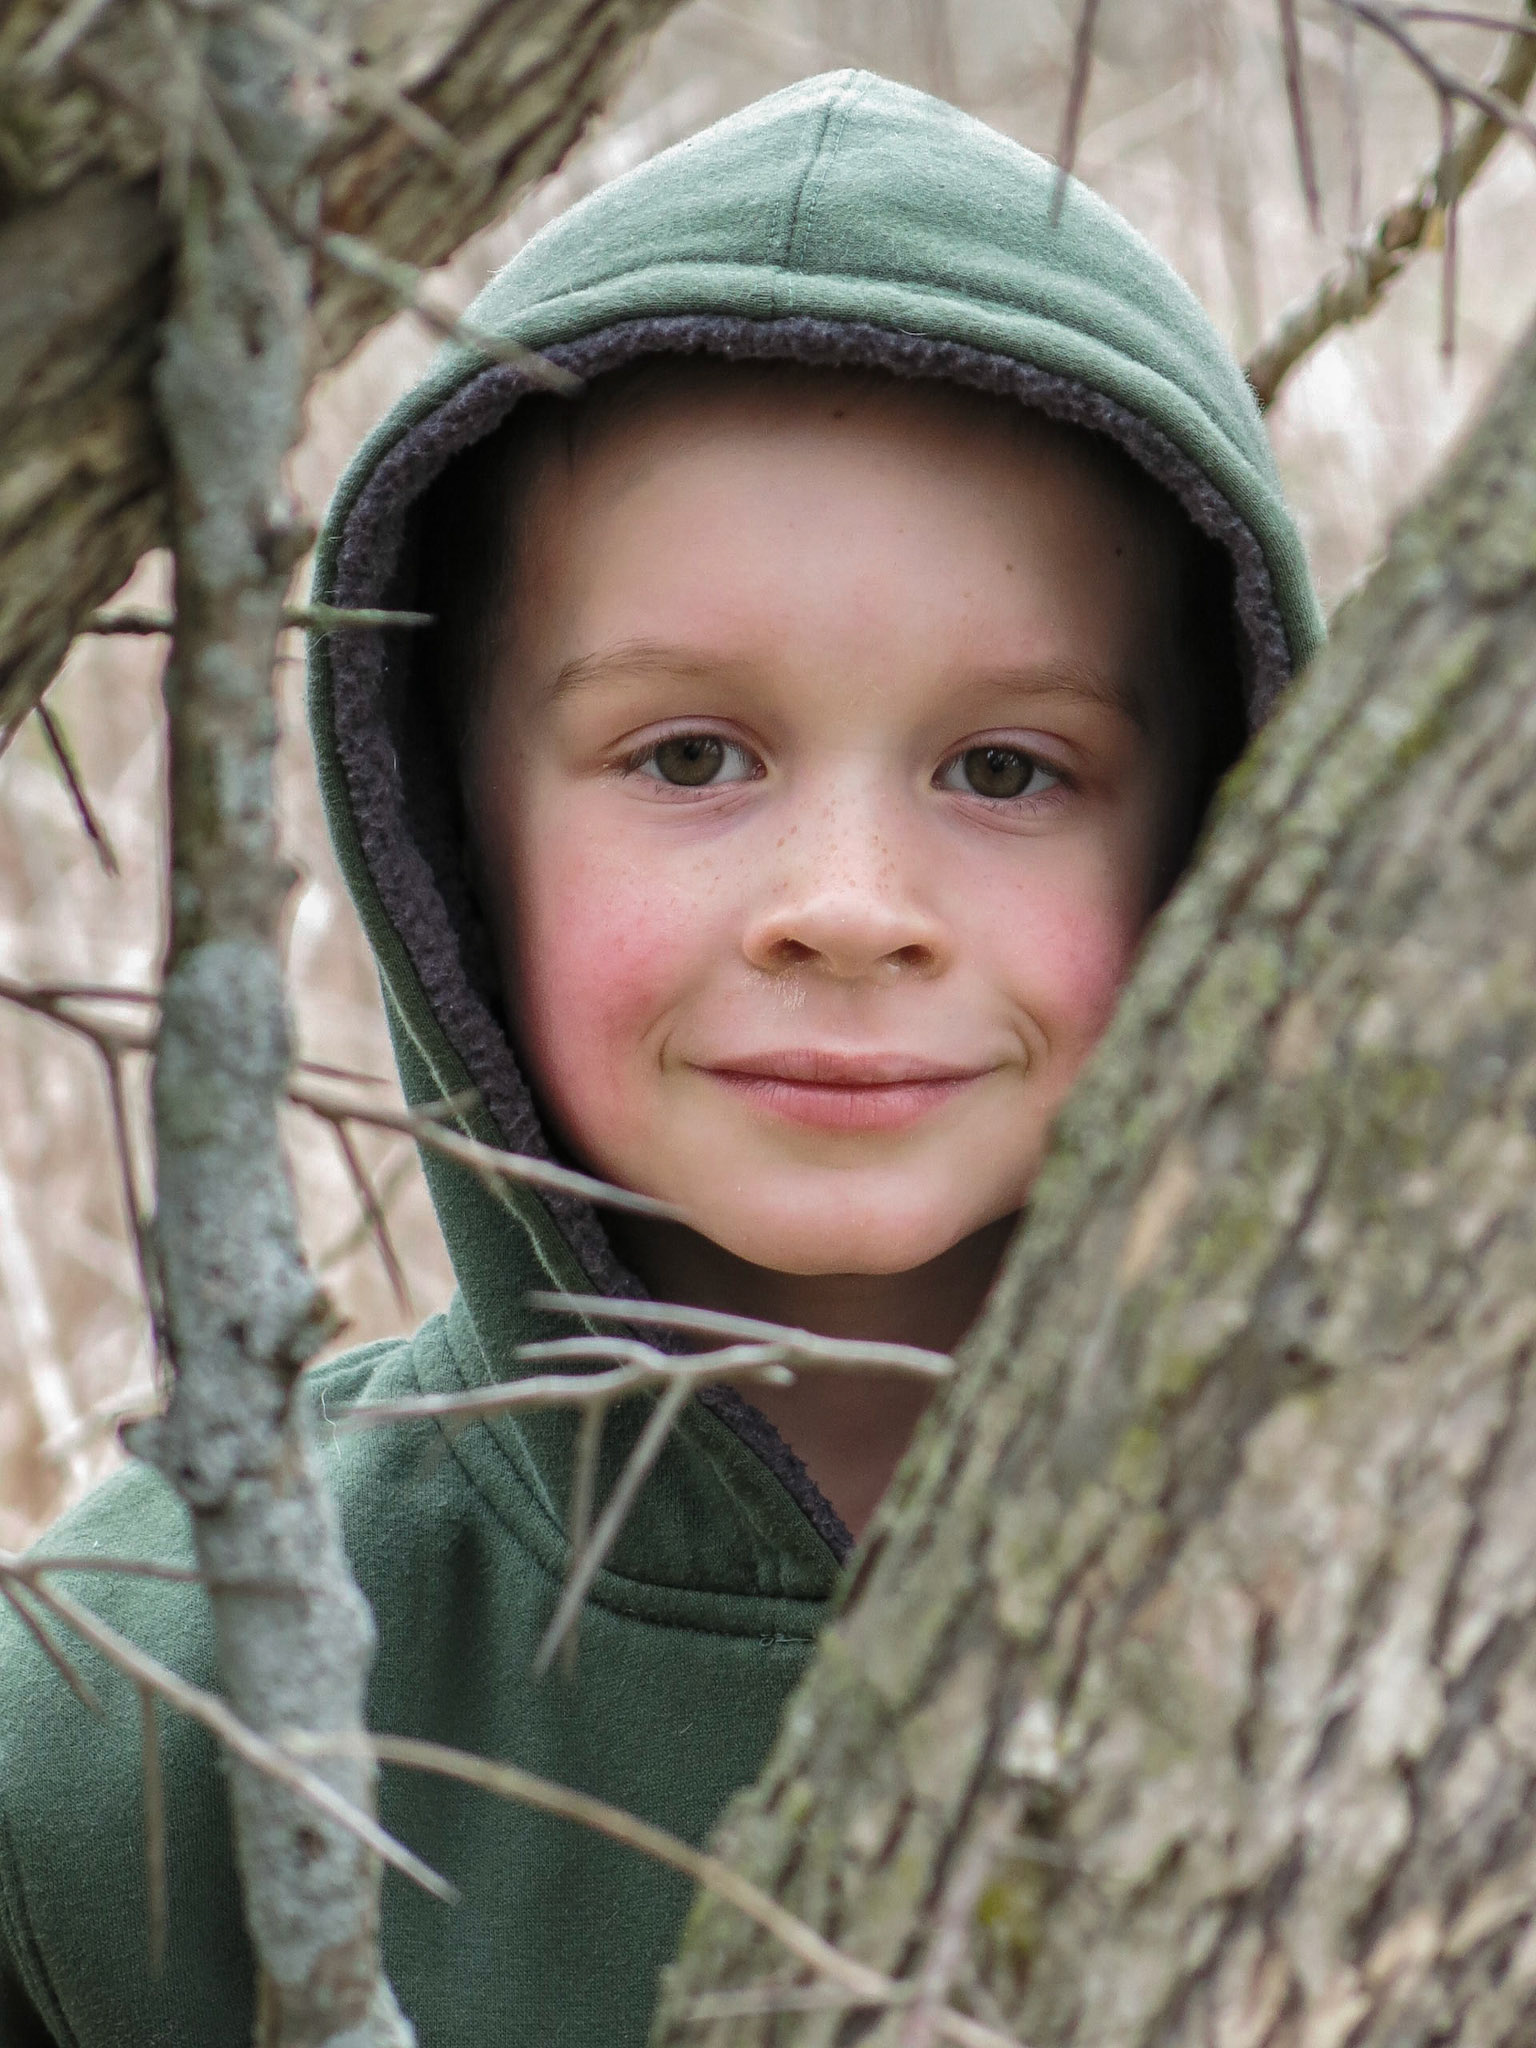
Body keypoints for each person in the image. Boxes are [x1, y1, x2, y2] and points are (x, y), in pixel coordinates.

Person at [0, 70, 1322, 2048]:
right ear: (452, 830)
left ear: (1218, 831)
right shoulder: (135, 1698)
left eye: (1006, 768)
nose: (850, 906)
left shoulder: (1431, 1572)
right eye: (690, 754)